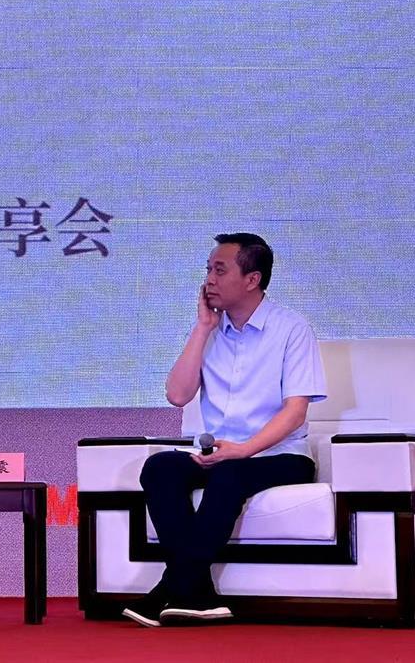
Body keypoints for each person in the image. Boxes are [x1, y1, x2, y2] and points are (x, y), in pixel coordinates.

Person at [123, 233, 328, 627]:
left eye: (220, 270)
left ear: (252, 279)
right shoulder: (210, 331)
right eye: (208, 270)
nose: (209, 280)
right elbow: (177, 395)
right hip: (218, 455)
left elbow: (295, 412)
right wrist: (202, 328)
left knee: (230, 473)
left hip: (280, 455)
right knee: (161, 468)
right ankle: (198, 594)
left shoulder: (291, 329)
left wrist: (244, 449)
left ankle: (172, 588)